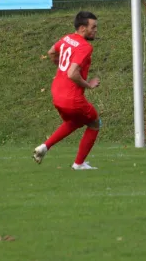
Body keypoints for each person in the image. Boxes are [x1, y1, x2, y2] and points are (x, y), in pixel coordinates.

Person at [32, 11, 101, 170]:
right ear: (83, 28)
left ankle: (44, 147)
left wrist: (60, 66)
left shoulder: (67, 38)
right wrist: (88, 84)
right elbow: (72, 73)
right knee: (95, 123)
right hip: (72, 97)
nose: (96, 30)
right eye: (93, 27)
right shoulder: (85, 47)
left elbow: (51, 52)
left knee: (74, 122)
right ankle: (79, 164)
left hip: (57, 93)